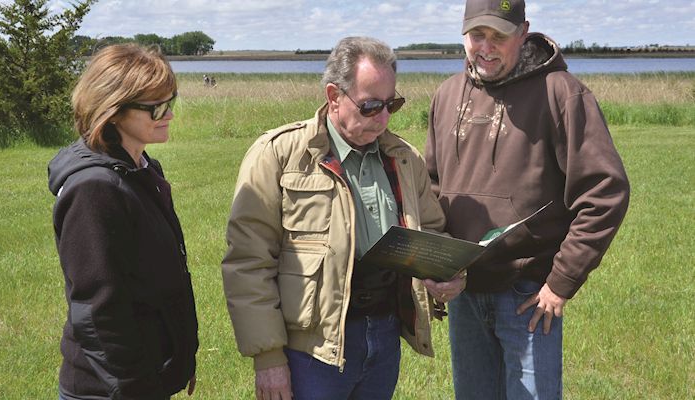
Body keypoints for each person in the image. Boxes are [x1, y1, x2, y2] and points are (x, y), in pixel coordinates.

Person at [221, 36, 465, 400]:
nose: (382, 118)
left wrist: (447, 273)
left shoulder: (403, 158)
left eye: (391, 104)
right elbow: (248, 263)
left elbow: (432, 231)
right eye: (369, 106)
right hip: (310, 352)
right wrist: (268, 358)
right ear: (334, 96)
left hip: (384, 339)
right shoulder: (277, 154)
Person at [425, 1, 630, 399]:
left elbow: (605, 191)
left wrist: (561, 282)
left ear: (523, 31)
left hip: (529, 297)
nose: (485, 47)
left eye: (498, 36)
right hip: (465, 293)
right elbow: (432, 191)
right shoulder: (448, 94)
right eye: (476, 35)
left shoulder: (562, 93)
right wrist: (437, 265)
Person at [48, 43, 199, 399]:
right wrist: (137, 389)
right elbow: (98, 313)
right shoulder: (94, 189)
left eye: (170, 103)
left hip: (146, 373)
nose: (169, 115)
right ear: (113, 111)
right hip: (109, 389)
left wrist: (178, 359)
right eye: (155, 108)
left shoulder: (141, 168)